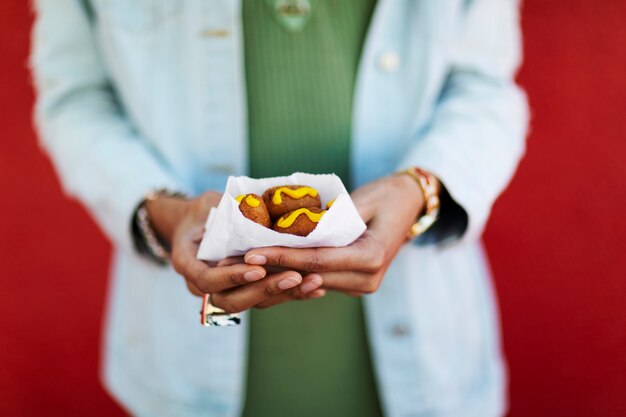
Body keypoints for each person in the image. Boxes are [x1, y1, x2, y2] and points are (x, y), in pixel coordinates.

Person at [30, 0, 528, 416]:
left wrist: (422, 191)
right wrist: (156, 209)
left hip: (418, 351)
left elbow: (483, 86)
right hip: (192, 335)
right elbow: (77, 97)